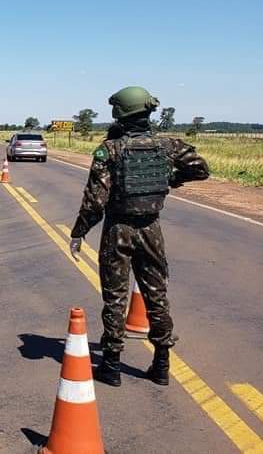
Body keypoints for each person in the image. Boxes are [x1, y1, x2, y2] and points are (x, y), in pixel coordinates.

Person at [69, 86, 208, 387]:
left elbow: (95, 201)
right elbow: (200, 168)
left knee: (116, 297)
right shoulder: (167, 145)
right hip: (151, 230)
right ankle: (161, 364)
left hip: (118, 230)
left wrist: (79, 232)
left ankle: (111, 365)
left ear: (119, 113)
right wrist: (170, 179)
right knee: (157, 296)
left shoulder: (111, 150)